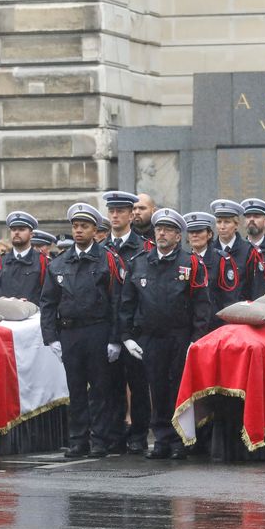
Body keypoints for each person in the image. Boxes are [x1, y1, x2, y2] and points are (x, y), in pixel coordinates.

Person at [119, 208, 211, 460]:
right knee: (156, 389)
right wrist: (126, 336)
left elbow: (201, 305)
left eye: (168, 229)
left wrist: (196, 339)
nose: (162, 233)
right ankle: (161, 439)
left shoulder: (190, 263)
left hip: (179, 336)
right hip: (150, 337)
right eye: (159, 229)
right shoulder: (138, 262)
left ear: (178, 236)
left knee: (177, 389)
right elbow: (127, 303)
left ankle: (180, 440)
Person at [38, 203, 122, 458]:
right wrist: (51, 337)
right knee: (75, 390)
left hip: (97, 330)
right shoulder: (59, 263)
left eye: (84, 227)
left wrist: (115, 339)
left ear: (95, 230)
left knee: (99, 390)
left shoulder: (108, 259)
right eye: (75, 226)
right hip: (70, 333)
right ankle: (77, 440)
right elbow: (48, 303)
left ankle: (99, 440)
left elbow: (117, 301)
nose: (78, 231)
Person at [101, 190, 152, 455]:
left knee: (138, 385)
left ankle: (138, 435)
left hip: (135, 329)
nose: (115, 216)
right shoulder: (101, 249)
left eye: (120, 211)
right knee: (111, 386)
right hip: (107, 328)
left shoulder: (144, 248)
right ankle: (115, 434)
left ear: (131, 215)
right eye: (111, 211)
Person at [184, 212, 223, 333]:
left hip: (214, 325)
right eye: (191, 232)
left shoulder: (221, 260)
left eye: (199, 231)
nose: (195, 235)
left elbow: (228, 299)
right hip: (187, 326)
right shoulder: (182, 260)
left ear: (209, 234)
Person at [0, 211, 48, 302]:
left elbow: (48, 294)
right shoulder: (1, 261)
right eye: (13, 229)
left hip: (33, 314)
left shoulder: (42, 261)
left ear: (31, 235)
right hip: (5, 313)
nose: (16, 233)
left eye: (21, 229)